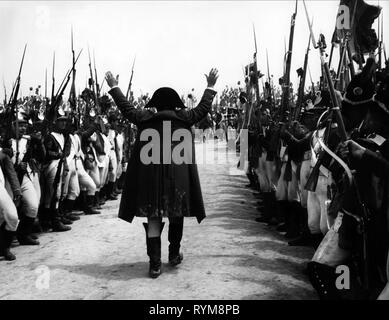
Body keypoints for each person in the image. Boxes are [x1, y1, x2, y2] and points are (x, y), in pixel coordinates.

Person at [105, 68, 218, 278]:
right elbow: (203, 109)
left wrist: (114, 86)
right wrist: (210, 86)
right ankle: (173, 254)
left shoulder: (145, 118)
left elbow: (126, 108)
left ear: (155, 104)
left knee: (154, 217)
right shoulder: (185, 117)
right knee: (176, 214)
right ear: (176, 103)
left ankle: (155, 263)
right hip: (177, 179)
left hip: (151, 179)